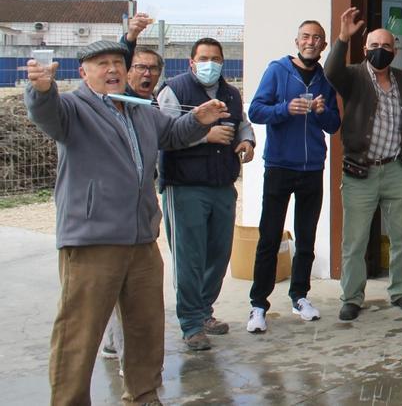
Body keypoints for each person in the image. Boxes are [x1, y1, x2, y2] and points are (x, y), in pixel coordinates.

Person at [24, 40, 227, 406]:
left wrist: (198, 119)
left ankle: (144, 395)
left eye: (118, 62)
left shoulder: (140, 111)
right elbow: (45, 112)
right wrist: (40, 89)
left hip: (141, 240)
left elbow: (172, 135)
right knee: (79, 335)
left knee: (145, 328)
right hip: (92, 241)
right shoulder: (73, 108)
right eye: (101, 63)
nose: (113, 69)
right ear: (83, 73)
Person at [326, 7, 402, 321]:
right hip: (360, 171)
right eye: (374, 46)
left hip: (394, 168)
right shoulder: (353, 76)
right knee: (355, 240)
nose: (380, 51)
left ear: (395, 52)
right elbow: (330, 72)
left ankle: (401, 292)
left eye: (386, 47)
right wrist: (343, 36)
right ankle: (352, 297)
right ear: (365, 49)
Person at [157, 38, 255, 350]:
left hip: (222, 186)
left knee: (217, 254)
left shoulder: (230, 92)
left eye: (215, 58)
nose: (209, 63)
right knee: (189, 258)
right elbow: (164, 134)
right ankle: (190, 324)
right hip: (185, 187)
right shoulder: (173, 90)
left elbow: (241, 123)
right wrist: (204, 134)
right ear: (191, 61)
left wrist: (247, 141)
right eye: (203, 58)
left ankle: (204, 312)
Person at [246, 20, 341, 332]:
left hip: (312, 168)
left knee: (307, 237)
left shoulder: (324, 79)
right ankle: (258, 304)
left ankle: (300, 296)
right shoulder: (277, 70)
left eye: (317, 38)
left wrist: (321, 111)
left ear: (324, 46)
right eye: (306, 37)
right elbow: (256, 111)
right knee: (270, 237)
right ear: (296, 41)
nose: (311, 42)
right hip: (279, 166)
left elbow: (333, 124)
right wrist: (286, 109)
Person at [99, 44, 163, 367]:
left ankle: (119, 351)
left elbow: (173, 134)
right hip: (107, 222)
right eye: (139, 67)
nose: (146, 73)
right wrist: (130, 37)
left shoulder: (148, 109)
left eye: (153, 68)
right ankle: (124, 357)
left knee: (135, 299)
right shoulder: (107, 105)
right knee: (116, 295)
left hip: (141, 219)